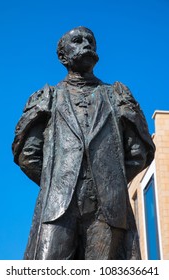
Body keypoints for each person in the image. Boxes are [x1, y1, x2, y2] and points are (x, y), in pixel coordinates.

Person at [12, 26, 155, 260]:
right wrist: (60, 181)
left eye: (90, 40)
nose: (86, 44)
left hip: (108, 207)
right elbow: (28, 154)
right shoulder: (48, 97)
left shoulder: (116, 95)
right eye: (77, 41)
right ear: (62, 56)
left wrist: (108, 180)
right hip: (57, 207)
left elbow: (138, 153)